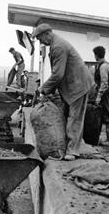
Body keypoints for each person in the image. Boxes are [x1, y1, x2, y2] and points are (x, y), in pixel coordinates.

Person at [32, 23, 94, 161]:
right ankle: (67, 146)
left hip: (79, 85)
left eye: (40, 38)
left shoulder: (58, 46)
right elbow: (59, 74)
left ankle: (73, 151)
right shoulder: (55, 45)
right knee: (66, 115)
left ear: (47, 34)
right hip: (72, 85)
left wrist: (43, 89)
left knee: (74, 118)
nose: (40, 42)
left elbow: (58, 75)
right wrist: (48, 90)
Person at [90, 46, 109, 146]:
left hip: (105, 95)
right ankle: (97, 138)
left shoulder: (103, 66)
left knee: (107, 117)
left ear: (96, 55)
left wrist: (98, 97)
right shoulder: (103, 65)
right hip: (104, 93)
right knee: (100, 116)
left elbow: (104, 84)